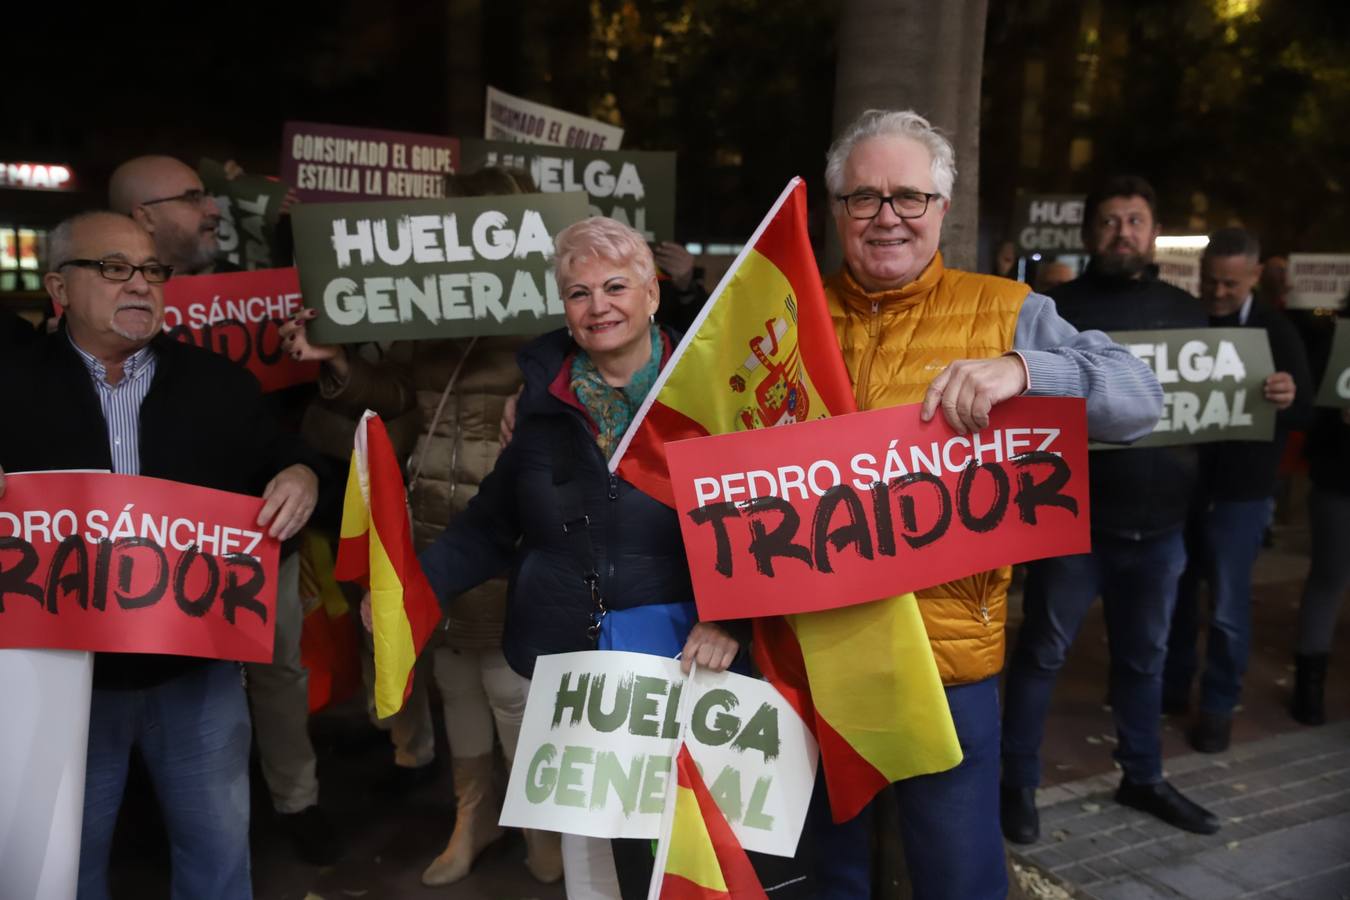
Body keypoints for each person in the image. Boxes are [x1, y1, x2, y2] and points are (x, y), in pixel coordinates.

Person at [823, 112, 1161, 899]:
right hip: (811, 663)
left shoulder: (1008, 308)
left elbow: (1140, 402)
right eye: (864, 197)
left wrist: (1027, 369)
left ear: (943, 207)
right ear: (837, 210)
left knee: (960, 879)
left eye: (908, 196)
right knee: (822, 879)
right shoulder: (784, 315)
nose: (886, 217)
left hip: (948, 667)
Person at [369, 216, 743, 899]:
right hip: (566, 661)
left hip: (683, 660)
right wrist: (410, 587)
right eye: (578, 292)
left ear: (653, 295)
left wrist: (733, 618)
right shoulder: (542, 404)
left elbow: (755, 527)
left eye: (615, 286)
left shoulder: (713, 394)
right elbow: (489, 525)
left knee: (681, 845)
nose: (598, 305)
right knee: (591, 852)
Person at [0, 210, 319, 900]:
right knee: (61, 866)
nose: (140, 286)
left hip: (194, 677)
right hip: (59, 682)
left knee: (216, 856)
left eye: (151, 270)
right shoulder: (10, 386)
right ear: (59, 288)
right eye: (114, 269)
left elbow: (279, 455)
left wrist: (300, 476)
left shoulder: (220, 385)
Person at [279, 166, 564, 886]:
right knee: (452, 680)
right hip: (430, 526)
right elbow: (400, 392)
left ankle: (542, 824)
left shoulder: (555, 317)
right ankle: (474, 817)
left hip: (509, 531)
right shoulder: (427, 312)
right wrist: (338, 361)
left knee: (510, 685)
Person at [110, 153, 339, 862]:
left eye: (212, 197)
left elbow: (279, 420)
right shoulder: (85, 326)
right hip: (139, 547)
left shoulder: (253, 291)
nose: (212, 210)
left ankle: (295, 800)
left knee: (276, 668)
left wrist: (298, 466)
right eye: (192, 199)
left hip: (254, 527)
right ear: (142, 217)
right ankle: (149, 809)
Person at [1001, 175, 1220, 845]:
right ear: (1090, 233)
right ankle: (1017, 785)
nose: (1123, 231)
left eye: (1135, 219)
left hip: (1161, 527)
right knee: (1041, 654)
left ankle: (1143, 775)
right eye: (1110, 221)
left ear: (1152, 232)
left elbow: (1215, 405)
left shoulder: (1189, 312)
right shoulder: (1053, 309)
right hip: (1073, 523)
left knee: (1145, 659)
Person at [1163, 228, 1313, 751]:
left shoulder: (1277, 330)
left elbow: (1304, 408)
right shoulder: (1184, 319)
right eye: (1210, 281)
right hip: (1181, 486)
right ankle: (1173, 687)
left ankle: (1219, 706)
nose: (1218, 292)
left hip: (1241, 492)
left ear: (1254, 276)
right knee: (1176, 596)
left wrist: (1287, 393)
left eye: (1229, 283)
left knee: (1227, 605)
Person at [1291, 295, 1350, 724]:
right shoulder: (1334, 340)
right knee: (1328, 579)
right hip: (1340, 481)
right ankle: (1308, 687)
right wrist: (1334, 416)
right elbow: (1305, 409)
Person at [109, 156, 234, 276]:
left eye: (206, 197)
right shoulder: (109, 294)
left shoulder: (237, 282)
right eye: (193, 198)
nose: (215, 211)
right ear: (146, 218)